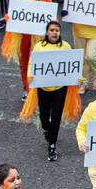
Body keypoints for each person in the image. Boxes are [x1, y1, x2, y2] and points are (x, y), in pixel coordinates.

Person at [19, 19, 83, 162]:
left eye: (57, 30)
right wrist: (30, 75)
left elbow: (72, 64)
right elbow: (32, 62)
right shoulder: (39, 46)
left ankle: (52, 145)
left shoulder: (66, 46)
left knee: (56, 117)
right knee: (44, 118)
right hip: (43, 87)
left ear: (60, 32)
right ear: (47, 32)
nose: (54, 32)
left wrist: (78, 78)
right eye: (52, 30)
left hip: (60, 88)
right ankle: (48, 130)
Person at [1, 0, 52, 93]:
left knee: (37, 62)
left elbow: (51, 19)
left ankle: (38, 88)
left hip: (39, 37)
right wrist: (8, 18)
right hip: (23, 36)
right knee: (24, 63)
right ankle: (27, 89)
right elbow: (13, 15)